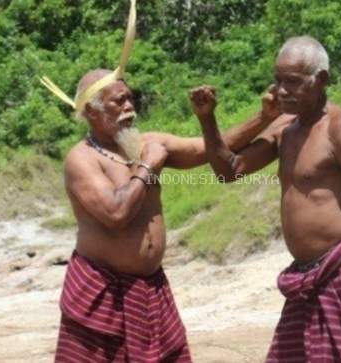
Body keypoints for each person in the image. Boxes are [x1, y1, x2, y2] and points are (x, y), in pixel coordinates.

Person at [193, 36, 341, 362]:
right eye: (277, 80)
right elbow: (227, 171)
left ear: (321, 80)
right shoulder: (284, 130)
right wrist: (208, 118)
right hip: (304, 281)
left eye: (292, 82)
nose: (280, 90)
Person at [54, 68, 280, 363]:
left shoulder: (147, 144)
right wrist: (147, 167)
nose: (129, 106)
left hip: (150, 289)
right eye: (118, 102)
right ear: (92, 112)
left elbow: (210, 149)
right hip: (102, 295)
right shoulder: (81, 159)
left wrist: (263, 117)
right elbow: (115, 213)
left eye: (130, 99)